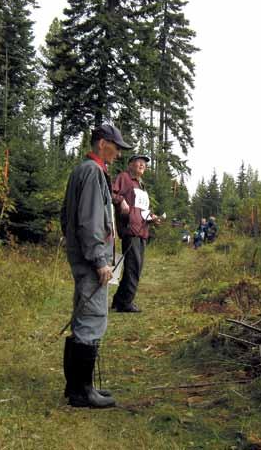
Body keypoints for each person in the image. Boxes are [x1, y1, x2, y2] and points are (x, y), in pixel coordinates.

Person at [60, 124, 133, 408]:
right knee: (91, 319)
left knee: (83, 317)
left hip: (83, 256)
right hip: (92, 260)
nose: (117, 154)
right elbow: (89, 221)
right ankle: (82, 392)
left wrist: (77, 249)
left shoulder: (84, 171)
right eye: (116, 147)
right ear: (103, 144)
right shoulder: (92, 172)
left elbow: (65, 216)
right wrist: (100, 260)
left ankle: (77, 387)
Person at [111, 155, 160, 313]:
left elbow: (141, 209)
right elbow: (110, 193)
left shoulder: (141, 185)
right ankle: (126, 303)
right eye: (138, 162)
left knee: (134, 267)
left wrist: (152, 217)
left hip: (142, 231)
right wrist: (121, 200)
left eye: (144, 163)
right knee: (133, 267)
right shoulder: (124, 177)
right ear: (130, 165)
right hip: (130, 230)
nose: (142, 165)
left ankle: (119, 300)